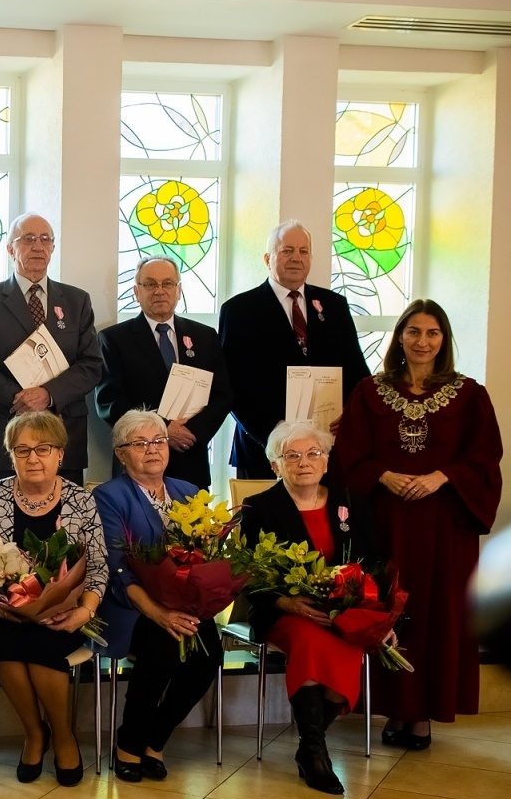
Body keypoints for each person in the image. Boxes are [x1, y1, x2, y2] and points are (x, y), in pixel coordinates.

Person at [333, 300, 503, 748]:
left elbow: (485, 457)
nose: (422, 341)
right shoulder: (369, 392)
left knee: (437, 613)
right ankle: (395, 708)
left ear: (444, 339)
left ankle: (424, 711)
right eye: (413, 331)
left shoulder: (470, 395)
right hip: (388, 522)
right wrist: (384, 476)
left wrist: (440, 477)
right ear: (400, 337)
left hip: (447, 524)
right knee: (391, 609)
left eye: (432, 333)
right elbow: (349, 454)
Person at [240, 420, 379, 796]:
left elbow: (373, 562)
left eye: (313, 453)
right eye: (292, 455)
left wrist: (362, 603)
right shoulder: (260, 508)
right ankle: (316, 755)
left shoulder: (351, 502)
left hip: (340, 613)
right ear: (275, 465)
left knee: (349, 645)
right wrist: (287, 602)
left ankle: (308, 746)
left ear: (327, 460)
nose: (304, 462)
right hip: (283, 612)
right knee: (310, 639)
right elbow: (248, 573)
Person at [0, 411, 107, 786]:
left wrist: (85, 610)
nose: (33, 458)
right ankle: (36, 733)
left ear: (60, 454)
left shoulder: (81, 500)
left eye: (43, 449)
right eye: (22, 450)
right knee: (3, 639)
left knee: (44, 640)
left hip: (68, 613)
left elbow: (98, 566)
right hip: (5, 614)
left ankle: (62, 735)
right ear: (10, 455)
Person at [93, 410, 220, 783]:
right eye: (140, 443)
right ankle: (129, 744)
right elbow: (117, 567)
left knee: (209, 657)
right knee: (161, 647)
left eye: (159, 441)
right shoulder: (108, 496)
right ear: (120, 453)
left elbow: (206, 557)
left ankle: (156, 739)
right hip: (131, 605)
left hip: (186, 603)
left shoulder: (190, 492)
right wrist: (158, 612)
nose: (152, 450)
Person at [218, 220, 369, 478]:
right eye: (287, 251)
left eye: (303, 251)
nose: (296, 258)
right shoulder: (240, 310)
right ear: (268, 258)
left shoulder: (335, 306)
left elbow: (357, 373)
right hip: (262, 449)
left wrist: (350, 418)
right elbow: (231, 382)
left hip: (325, 448)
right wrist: (272, 432)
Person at [0, 214, 103, 484]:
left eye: (45, 239)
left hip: (65, 435)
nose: (38, 246)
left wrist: (48, 395)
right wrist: (24, 401)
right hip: (5, 435)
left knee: (65, 524)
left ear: (53, 248)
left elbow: (91, 365)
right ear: (10, 249)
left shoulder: (77, 301)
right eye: (28, 239)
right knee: (1, 524)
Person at [95, 255, 232, 489]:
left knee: (195, 527)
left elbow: (223, 395)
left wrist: (192, 432)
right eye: (150, 284)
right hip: (139, 464)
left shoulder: (205, 336)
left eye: (167, 283)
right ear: (136, 292)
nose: (160, 291)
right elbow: (109, 403)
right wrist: (164, 429)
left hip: (191, 461)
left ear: (178, 290)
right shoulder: (114, 339)